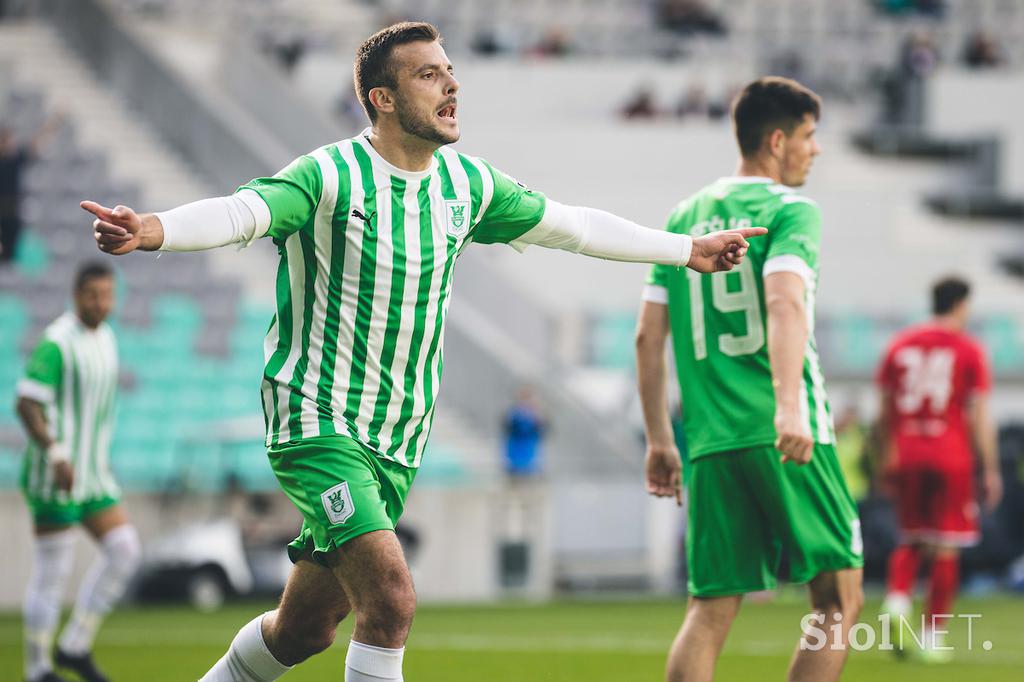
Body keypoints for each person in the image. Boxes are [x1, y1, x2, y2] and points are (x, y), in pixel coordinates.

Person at [80, 22, 764, 682]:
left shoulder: (466, 186)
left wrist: (686, 250)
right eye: (429, 75)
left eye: (451, 72)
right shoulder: (330, 177)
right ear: (382, 98)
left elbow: (575, 226)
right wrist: (153, 229)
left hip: (397, 440)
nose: (450, 86)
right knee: (392, 601)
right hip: (317, 421)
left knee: (303, 632)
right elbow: (241, 212)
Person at [636, 76, 864, 682]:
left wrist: (662, 440)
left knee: (709, 611)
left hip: (709, 442)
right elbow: (786, 305)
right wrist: (789, 408)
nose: (815, 150)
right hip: (787, 434)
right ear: (778, 140)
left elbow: (647, 338)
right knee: (839, 603)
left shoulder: (685, 215)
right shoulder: (790, 210)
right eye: (811, 137)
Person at [16, 262, 142, 682]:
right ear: (76, 295)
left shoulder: (106, 338)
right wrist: (55, 453)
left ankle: (74, 645)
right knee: (53, 572)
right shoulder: (57, 343)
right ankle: (37, 670)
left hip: (92, 474)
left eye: (108, 295)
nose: (101, 303)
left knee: (124, 549)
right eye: (93, 295)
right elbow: (26, 403)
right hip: (57, 473)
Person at [876, 276, 1001, 662]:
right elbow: (978, 415)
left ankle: (897, 601)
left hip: (908, 451)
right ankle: (932, 637)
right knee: (946, 547)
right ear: (961, 305)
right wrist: (991, 468)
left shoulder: (899, 344)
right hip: (950, 454)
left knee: (912, 536)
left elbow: (884, 409)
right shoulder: (968, 349)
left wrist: (886, 454)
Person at [0, 115, 63, 264]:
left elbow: (36, 144)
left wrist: (54, 123)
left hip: (12, 212)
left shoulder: (16, 159)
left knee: (10, 255)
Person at [502, 386, 545, 477]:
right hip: (515, 455)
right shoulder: (513, 415)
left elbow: (542, 433)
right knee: (515, 476)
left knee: (528, 476)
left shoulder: (536, 417)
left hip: (530, 456)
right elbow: (507, 429)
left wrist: (537, 420)